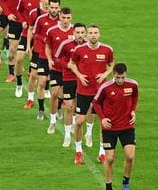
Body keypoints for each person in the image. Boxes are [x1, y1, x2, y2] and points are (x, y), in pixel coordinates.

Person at [68, 24, 114, 165]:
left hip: (100, 93)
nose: (93, 35)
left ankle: (101, 152)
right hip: (83, 91)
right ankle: (78, 151)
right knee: (80, 121)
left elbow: (111, 65)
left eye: (95, 33)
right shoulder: (79, 50)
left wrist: (105, 74)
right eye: (91, 33)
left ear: (99, 34)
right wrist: (80, 76)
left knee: (103, 122)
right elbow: (71, 64)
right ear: (87, 35)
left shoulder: (107, 50)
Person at [92, 62, 138, 190]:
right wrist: (103, 118)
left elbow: (134, 97)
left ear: (126, 74)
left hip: (127, 126)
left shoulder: (133, 85)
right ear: (114, 74)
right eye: (118, 77)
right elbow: (96, 103)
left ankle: (125, 183)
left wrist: (133, 110)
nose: (120, 80)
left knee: (130, 156)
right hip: (110, 128)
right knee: (110, 158)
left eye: (122, 77)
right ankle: (108, 187)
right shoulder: (105, 87)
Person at [55, 22, 87, 147]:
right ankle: (67, 135)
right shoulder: (66, 44)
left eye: (82, 33)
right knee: (69, 107)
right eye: (77, 32)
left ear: (85, 33)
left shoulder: (88, 46)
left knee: (79, 107)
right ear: (73, 33)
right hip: (68, 78)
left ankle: (77, 128)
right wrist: (66, 65)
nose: (80, 35)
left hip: (83, 80)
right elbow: (57, 59)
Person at [44, 6, 75, 135]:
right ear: (59, 17)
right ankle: (52, 121)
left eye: (68, 18)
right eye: (63, 18)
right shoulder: (52, 31)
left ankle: (72, 122)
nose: (66, 20)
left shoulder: (75, 32)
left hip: (70, 71)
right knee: (54, 93)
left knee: (70, 98)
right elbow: (48, 47)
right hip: (56, 68)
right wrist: (50, 60)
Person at [31, 0, 62, 120]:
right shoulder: (41, 19)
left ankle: (58, 107)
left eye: (56, 7)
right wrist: (44, 39)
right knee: (42, 82)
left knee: (59, 88)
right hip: (43, 55)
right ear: (48, 6)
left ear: (59, 8)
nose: (54, 10)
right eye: (52, 7)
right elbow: (35, 33)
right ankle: (41, 109)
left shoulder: (62, 20)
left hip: (58, 59)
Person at [0, 0, 31, 83]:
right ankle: (12, 73)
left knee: (31, 50)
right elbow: (2, 0)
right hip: (15, 22)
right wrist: (8, 14)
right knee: (12, 50)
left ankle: (30, 71)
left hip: (29, 25)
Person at [23, 0, 53, 108]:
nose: (46, 1)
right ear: (41, 0)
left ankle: (47, 89)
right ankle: (30, 98)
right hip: (38, 50)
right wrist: (28, 46)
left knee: (51, 76)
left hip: (52, 52)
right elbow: (31, 30)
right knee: (33, 75)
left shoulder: (58, 15)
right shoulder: (35, 13)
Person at [13, 0, 44, 97]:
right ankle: (19, 83)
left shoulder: (46, 2)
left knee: (37, 66)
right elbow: (18, 11)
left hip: (39, 39)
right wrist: (22, 22)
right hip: (27, 33)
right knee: (19, 59)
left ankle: (41, 88)